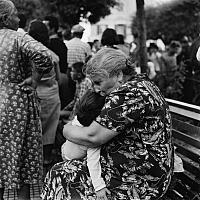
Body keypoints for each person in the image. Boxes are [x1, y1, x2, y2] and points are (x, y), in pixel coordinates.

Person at [41, 48, 174, 200]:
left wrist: (66, 129)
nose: (96, 89)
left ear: (119, 74)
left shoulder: (129, 94)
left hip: (140, 181)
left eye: (98, 82)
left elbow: (92, 137)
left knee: (60, 174)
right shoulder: (140, 85)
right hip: (140, 171)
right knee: (63, 171)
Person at [0, 0, 55, 199]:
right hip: (15, 104)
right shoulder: (17, 38)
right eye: (15, 14)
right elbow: (45, 56)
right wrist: (35, 78)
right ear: (5, 19)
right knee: (22, 159)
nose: (18, 18)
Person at [61, 89, 112, 199]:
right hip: (72, 158)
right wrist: (99, 187)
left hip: (67, 149)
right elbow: (93, 162)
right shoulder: (92, 138)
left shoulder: (79, 118)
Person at [28, 19, 61, 166]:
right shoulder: (52, 55)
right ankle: (46, 158)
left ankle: (34, 160)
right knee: (50, 129)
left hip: (34, 95)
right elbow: (59, 78)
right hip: (52, 95)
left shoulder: (28, 54)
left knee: (35, 128)